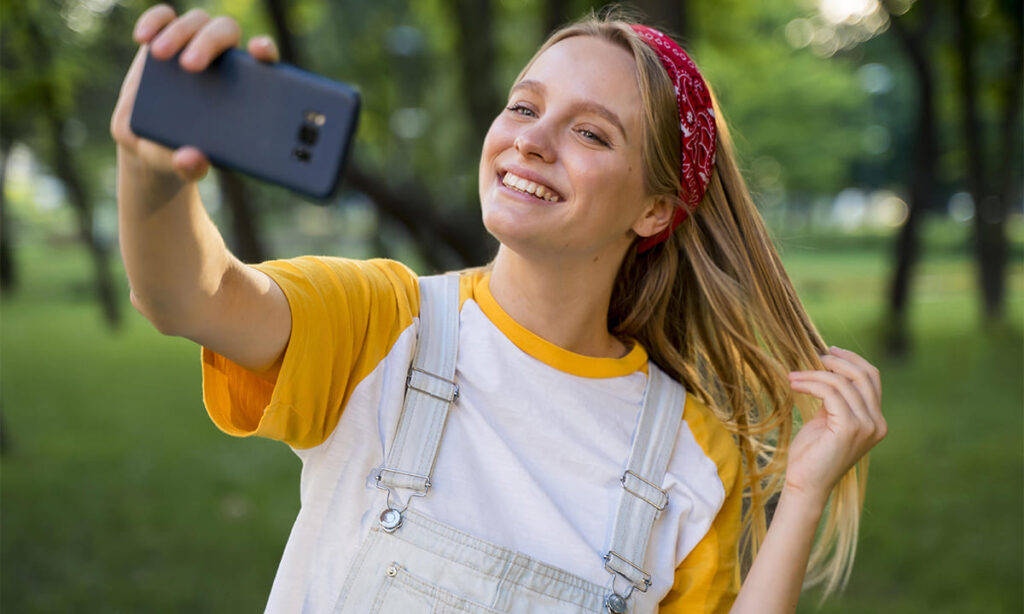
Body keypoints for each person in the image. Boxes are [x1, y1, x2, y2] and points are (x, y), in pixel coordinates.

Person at [111, 4, 886, 613]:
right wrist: (151, 177)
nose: (533, 141)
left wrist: (805, 494)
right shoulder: (386, 323)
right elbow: (191, 294)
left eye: (589, 132)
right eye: (523, 107)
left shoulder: (691, 452)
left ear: (655, 210)